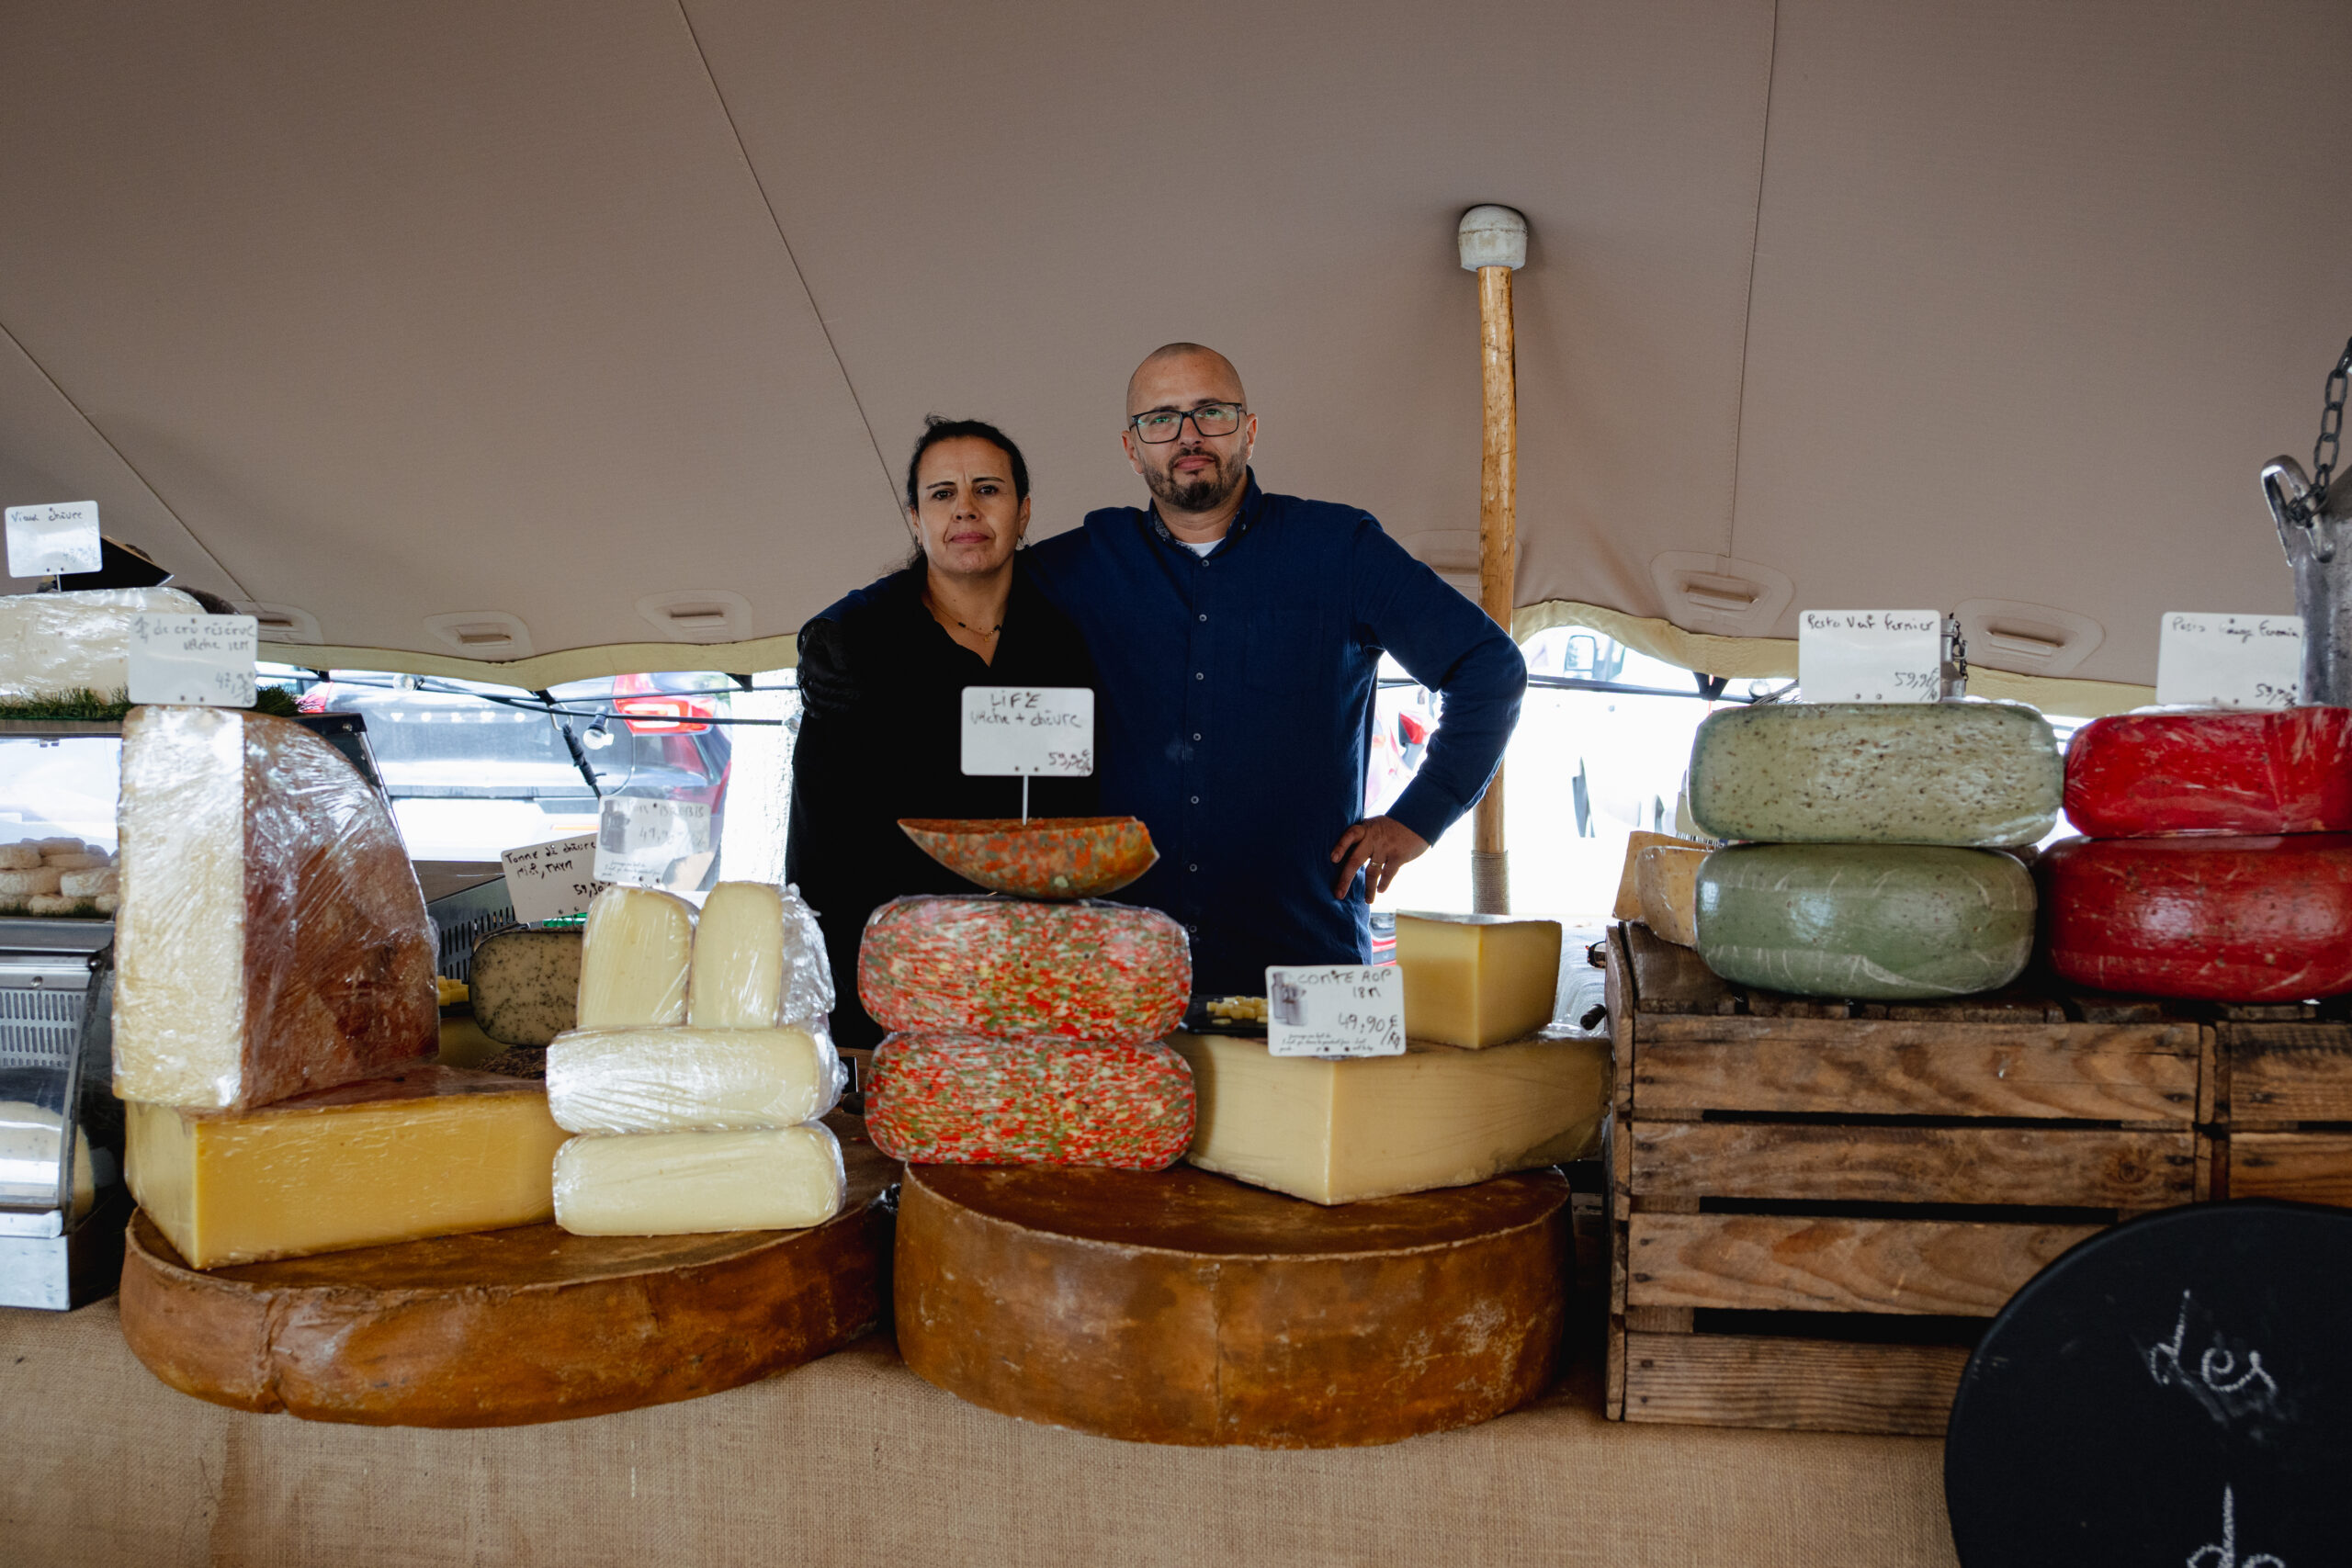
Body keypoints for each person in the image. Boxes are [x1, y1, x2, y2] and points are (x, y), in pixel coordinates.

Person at [1025, 343, 1525, 996]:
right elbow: (951, 607)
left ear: (1250, 430)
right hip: (1118, 975)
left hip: (1305, 962)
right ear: (1132, 447)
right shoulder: (1076, 567)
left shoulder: (1340, 549)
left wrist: (1419, 817)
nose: (1188, 436)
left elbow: (1489, 668)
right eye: (1161, 419)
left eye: (1212, 413)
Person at [787, 417, 1097, 1050]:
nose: (965, 509)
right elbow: (819, 846)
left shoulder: (1066, 641)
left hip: (1032, 984)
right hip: (893, 986)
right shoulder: (857, 647)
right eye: (942, 494)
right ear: (915, 518)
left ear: (1024, 511)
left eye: (988, 489)